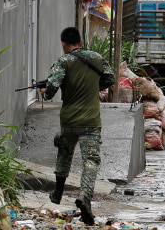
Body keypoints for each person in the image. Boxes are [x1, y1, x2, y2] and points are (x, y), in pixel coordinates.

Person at [39, 27, 115, 226]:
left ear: (64, 44)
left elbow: (51, 89)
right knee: (91, 159)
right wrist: (92, 87)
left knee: (65, 152)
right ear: (80, 42)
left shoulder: (62, 61)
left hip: (70, 120)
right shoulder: (97, 58)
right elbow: (110, 78)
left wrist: (44, 92)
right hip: (91, 121)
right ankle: (85, 197)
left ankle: (58, 192)